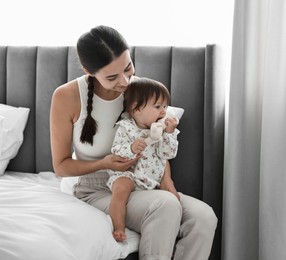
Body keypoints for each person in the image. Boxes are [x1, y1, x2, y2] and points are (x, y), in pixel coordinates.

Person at [49, 25, 217, 260]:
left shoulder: (140, 90)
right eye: (112, 77)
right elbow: (61, 166)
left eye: (128, 68)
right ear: (89, 71)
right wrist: (104, 163)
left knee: (204, 217)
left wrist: (167, 180)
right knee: (165, 206)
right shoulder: (67, 96)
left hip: (143, 180)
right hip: (96, 188)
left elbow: (156, 141)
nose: (126, 81)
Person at [107, 77, 180, 242]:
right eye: (157, 107)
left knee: (174, 202)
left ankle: (171, 239)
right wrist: (131, 148)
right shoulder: (126, 127)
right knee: (120, 190)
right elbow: (116, 150)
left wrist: (168, 133)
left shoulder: (164, 132)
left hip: (151, 180)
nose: (163, 112)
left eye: (165, 107)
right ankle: (118, 226)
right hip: (129, 174)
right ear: (136, 109)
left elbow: (168, 154)